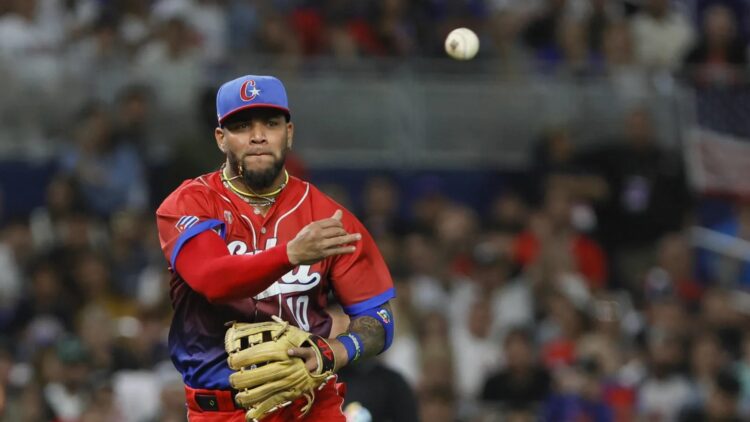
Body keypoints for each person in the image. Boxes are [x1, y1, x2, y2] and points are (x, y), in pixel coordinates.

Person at [155, 75, 396, 421]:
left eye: (270, 123)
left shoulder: (327, 216)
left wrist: (334, 352)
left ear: (289, 133)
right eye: (241, 126)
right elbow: (212, 279)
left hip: (312, 404)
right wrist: (291, 254)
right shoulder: (190, 203)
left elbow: (378, 318)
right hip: (224, 411)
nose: (257, 136)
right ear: (221, 139)